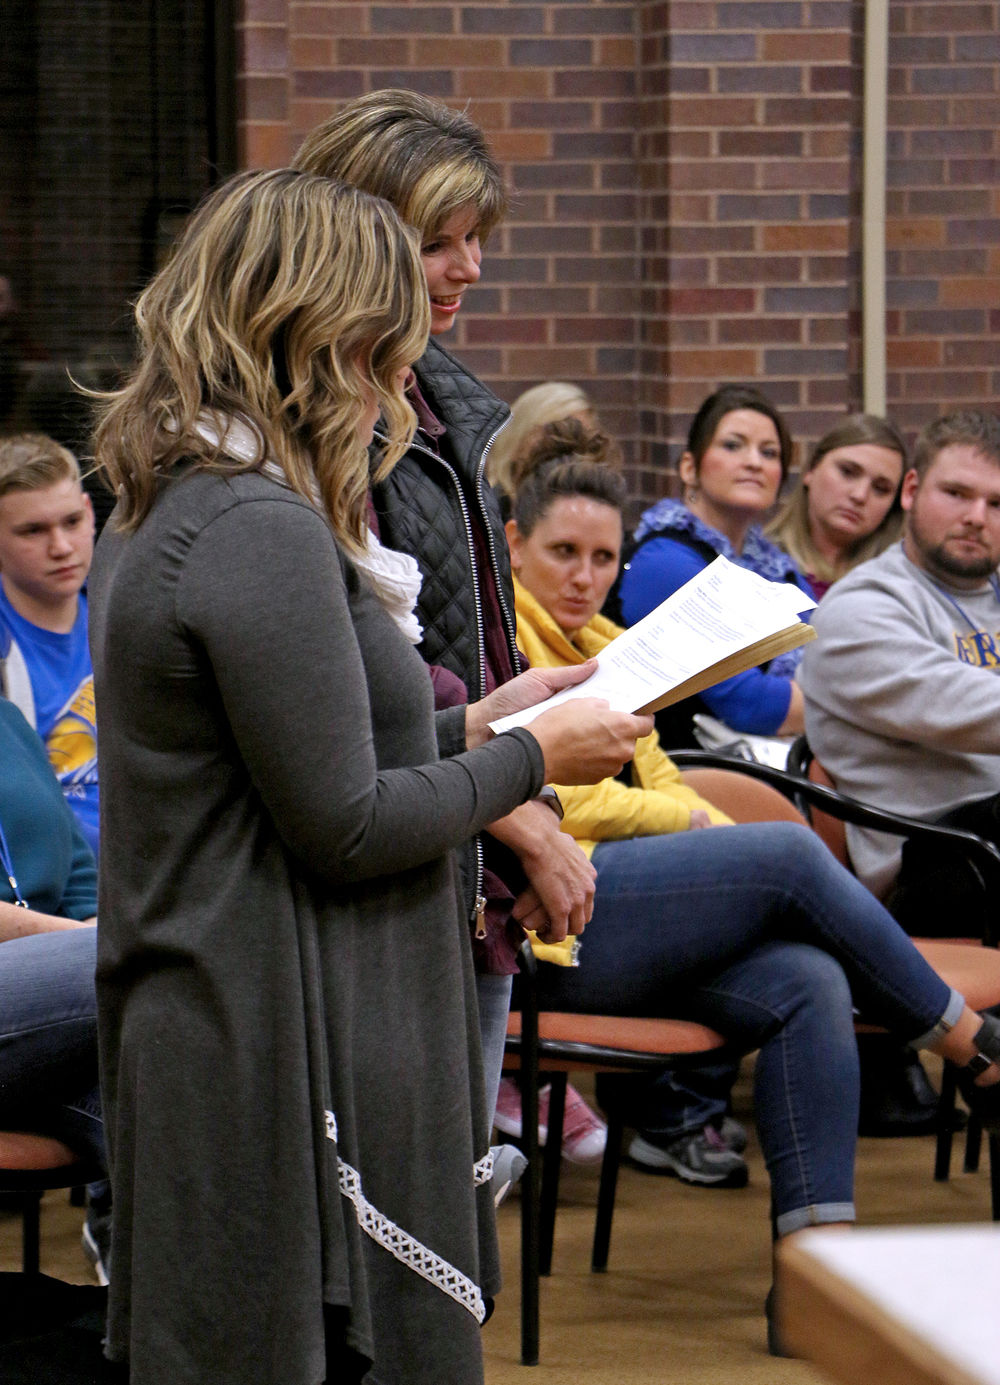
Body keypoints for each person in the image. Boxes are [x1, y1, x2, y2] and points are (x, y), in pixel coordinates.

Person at [87, 168, 647, 1385]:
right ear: (314, 337)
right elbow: (340, 822)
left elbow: (293, 757)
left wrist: (478, 724)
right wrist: (528, 762)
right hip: (262, 1034)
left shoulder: (209, 497)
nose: (404, 380)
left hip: (247, 1012)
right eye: (385, 346)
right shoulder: (251, 523)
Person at [498, 415, 1000, 1350]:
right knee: (784, 856)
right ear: (514, 544)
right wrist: (690, 829)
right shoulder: (504, 652)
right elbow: (560, 799)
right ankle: (973, 1046)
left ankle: (818, 1278)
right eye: (564, 550)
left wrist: (690, 826)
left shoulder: (612, 646)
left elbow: (664, 788)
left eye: (604, 556)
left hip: (624, 910)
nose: (586, 574)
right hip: (541, 931)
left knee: (808, 980)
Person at [293, 90, 606, 1161]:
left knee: (447, 1198)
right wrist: (521, 808)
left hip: (462, 845)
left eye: (476, 239)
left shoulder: (439, 401)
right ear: (356, 236)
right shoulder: (315, 421)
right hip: (395, 845)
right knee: (400, 1203)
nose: (468, 268)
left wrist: (527, 797)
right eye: (437, 242)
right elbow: (368, 661)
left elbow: (476, 642)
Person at [800, 408, 1000, 938]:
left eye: (996, 503)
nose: (977, 516)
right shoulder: (857, 611)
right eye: (956, 494)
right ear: (911, 490)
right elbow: (974, 708)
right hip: (932, 860)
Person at [616, 384, 814, 750]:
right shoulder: (665, 561)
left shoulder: (780, 569)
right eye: (733, 445)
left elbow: (828, 659)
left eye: (769, 453)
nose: (754, 461)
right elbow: (748, 704)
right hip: (681, 771)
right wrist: (852, 707)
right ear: (689, 467)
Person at [0, 694, 105, 1274]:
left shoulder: (7, 719)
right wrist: (91, 942)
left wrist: (92, 928)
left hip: (62, 988)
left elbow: (80, 868)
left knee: (173, 1082)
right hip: (70, 968)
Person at [0, 432, 99, 857]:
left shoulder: (125, 619)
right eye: (33, 531)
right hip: (51, 893)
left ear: (90, 514)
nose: (60, 548)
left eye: (71, 523)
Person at [766, 413, 907, 600]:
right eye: (847, 472)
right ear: (811, 469)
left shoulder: (899, 587)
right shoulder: (755, 564)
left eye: (881, 489)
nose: (860, 495)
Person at [486, 380, 604, 509]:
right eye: (556, 435)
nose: (572, 453)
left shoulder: (600, 510)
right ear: (518, 440)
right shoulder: (483, 516)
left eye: (583, 439)